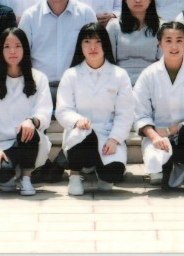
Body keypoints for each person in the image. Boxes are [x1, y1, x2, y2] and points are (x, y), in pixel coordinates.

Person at [133, 22, 184, 195]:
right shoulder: (148, 74)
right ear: (159, 44)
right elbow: (139, 112)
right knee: (165, 182)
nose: (174, 46)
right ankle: (168, 170)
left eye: (179, 40)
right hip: (158, 135)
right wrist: (155, 136)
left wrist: (172, 130)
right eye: (168, 40)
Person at [55, 23, 135, 196]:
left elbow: (126, 113)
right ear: (80, 46)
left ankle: (100, 172)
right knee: (82, 136)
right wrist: (77, 120)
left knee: (113, 174)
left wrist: (114, 139)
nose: (92, 47)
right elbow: (63, 109)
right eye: (87, 42)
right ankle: (75, 175)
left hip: (108, 134)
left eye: (98, 42)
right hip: (81, 132)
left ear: (105, 44)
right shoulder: (71, 75)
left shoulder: (120, 75)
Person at [0, 28, 52, 196]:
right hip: (0, 144)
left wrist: (31, 121)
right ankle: (9, 177)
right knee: (2, 172)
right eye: (7, 47)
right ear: (1, 50)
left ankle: (26, 178)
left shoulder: (39, 78)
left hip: (29, 142)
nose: (12, 51)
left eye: (17, 46)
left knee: (28, 129)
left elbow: (44, 112)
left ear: (25, 49)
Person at [107, 0, 161, 85]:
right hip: (120, 83)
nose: (138, 0)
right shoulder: (113, 26)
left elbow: (164, 63)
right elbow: (108, 63)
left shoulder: (162, 27)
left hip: (152, 83)